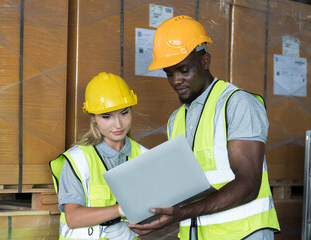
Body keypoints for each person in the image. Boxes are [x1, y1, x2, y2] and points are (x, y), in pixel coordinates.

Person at [127, 15, 280, 240]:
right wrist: (151, 213)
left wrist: (181, 213)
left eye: (183, 70)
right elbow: (181, 185)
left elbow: (249, 183)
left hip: (243, 234)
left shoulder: (236, 103)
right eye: (169, 73)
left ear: (205, 62)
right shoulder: (176, 119)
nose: (175, 80)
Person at [50, 72, 147, 240]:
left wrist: (134, 230)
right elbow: (73, 218)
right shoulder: (78, 160)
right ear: (93, 117)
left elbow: (159, 210)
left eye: (124, 113)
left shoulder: (144, 156)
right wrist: (120, 210)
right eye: (107, 116)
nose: (118, 124)